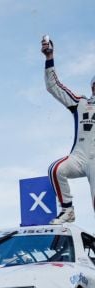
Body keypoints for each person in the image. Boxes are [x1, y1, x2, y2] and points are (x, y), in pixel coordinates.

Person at [42, 36, 95, 224]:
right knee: (56, 170)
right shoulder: (81, 102)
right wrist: (50, 57)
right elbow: (53, 87)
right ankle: (67, 209)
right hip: (79, 157)